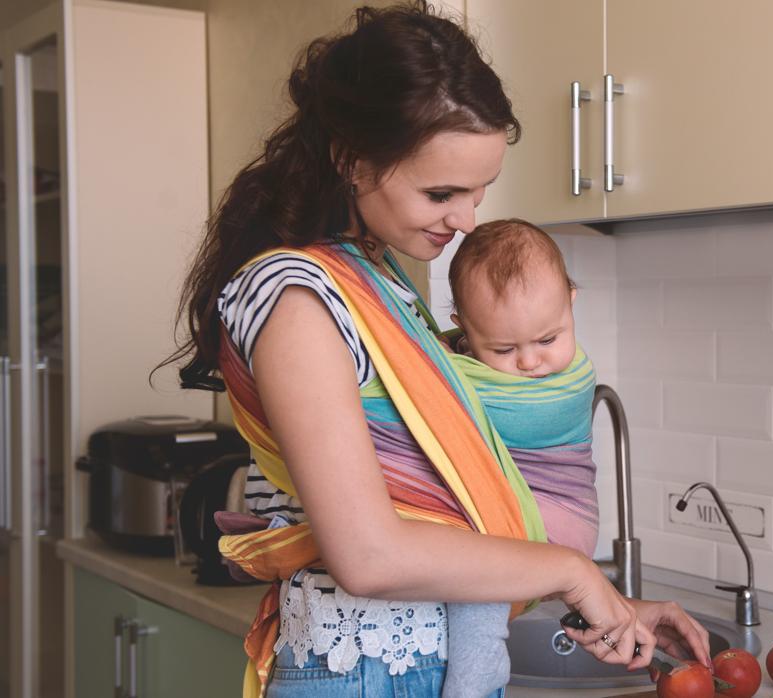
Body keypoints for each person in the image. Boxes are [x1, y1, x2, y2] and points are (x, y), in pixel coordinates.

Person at [166, 4, 710, 697]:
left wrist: (607, 601)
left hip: (417, 666)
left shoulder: (379, 284)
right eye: (442, 192)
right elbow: (368, 556)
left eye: (478, 190)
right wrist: (570, 570)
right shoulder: (299, 297)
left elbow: (444, 513)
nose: (466, 219)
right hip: (363, 674)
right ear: (351, 160)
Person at [437, 218, 598, 696]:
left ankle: (479, 674)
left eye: (548, 340)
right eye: (504, 348)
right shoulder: (473, 361)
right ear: (462, 327)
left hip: (554, 518)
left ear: (571, 301)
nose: (530, 363)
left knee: (477, 576)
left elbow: (430, 393)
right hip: (530, 515)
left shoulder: (561, 387)